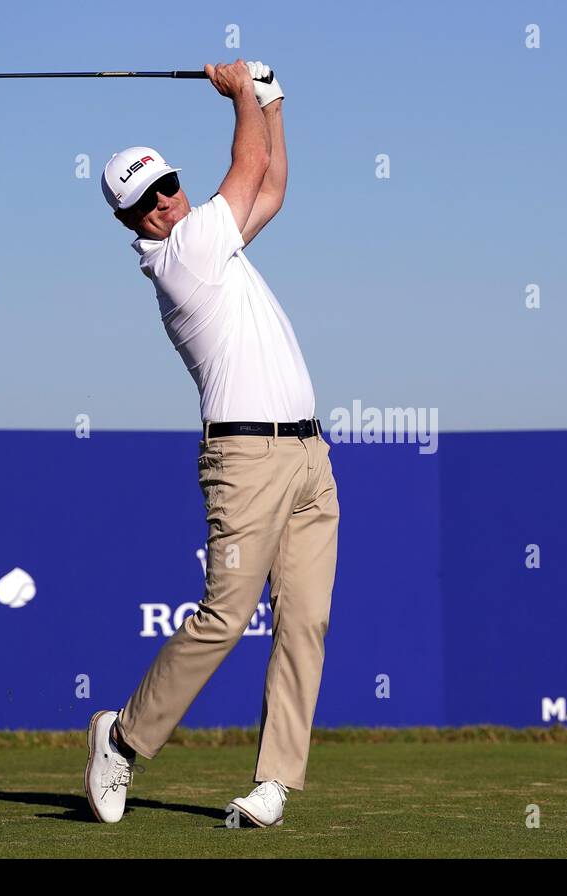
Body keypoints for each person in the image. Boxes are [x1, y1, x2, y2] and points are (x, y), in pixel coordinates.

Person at [83, 59, 339, 829]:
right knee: (225, 616)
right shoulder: (184, 254)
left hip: (308, 458)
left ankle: (274, 783)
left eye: (169, 184)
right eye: (148, 200)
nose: (166, 200)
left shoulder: (214, 243)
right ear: (133, 221)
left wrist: (272, 98)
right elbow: (250, 162)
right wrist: (239, 95)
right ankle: (122, 737)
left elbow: (273, 185)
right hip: (245, 461)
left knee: (306, 619)